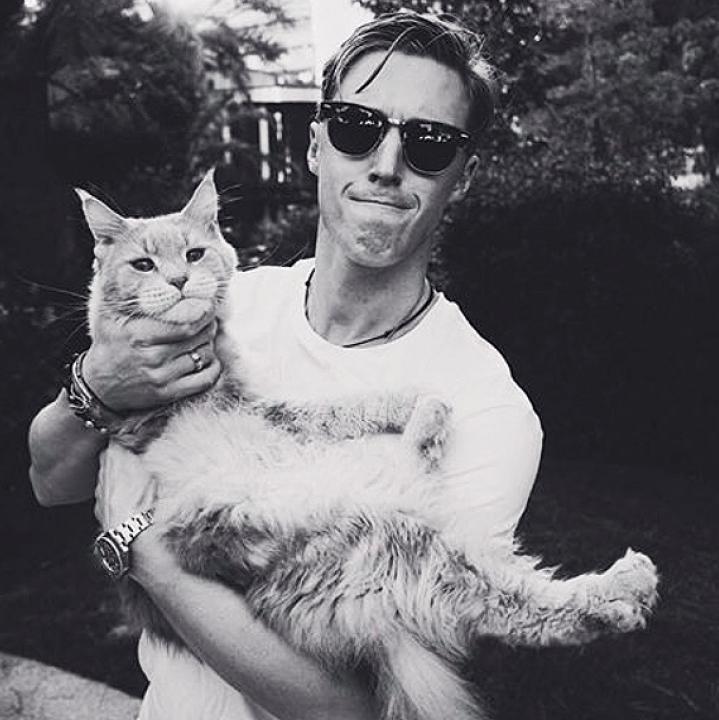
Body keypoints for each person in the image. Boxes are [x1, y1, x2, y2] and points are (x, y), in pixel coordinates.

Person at [28, 10, 542, 720]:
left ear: (463, 175)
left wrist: (146, 555)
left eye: (430, 143)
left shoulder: (488, 409)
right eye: (358, 127)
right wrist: (95, 389)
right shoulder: (217, 303)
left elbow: (351, 708)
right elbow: (50, 482)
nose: (386, 164)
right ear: (316, 145)